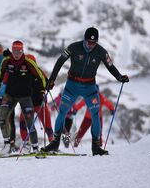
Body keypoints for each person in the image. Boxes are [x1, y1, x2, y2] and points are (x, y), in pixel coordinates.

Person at [42, 27, 129, 155]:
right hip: (72, 86)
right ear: (84, 39)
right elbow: (60, 61)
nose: (91, 45)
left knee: (95, 115)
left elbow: (110, 66)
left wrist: (119, 77)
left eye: (94, 43)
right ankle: (55, 143)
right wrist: (52, 79)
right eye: (88, 42)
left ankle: (96, 147)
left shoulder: (101, 52)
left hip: (90, 88)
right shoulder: (73, 47)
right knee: (62, 112)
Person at [0, 40, 46, 154]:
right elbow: (0, 73)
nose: (16, 54)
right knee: (3, 119)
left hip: (25, 96)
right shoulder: (6, 60)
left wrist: (42, 89)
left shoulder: (28, 62)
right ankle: (7, 145)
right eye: (14, 51)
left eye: (19, 51)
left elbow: (40, 75)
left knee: (30, 123)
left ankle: (35, 148)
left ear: (22, 51)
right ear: (12, 51)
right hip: (9, 95)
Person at [18, 54, 54, 144]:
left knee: (47, 125)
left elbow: (48, 83)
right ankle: (25, 144)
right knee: (23, 123)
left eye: (32, 63)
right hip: (27, 103)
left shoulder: (39, 72)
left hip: (39, 102)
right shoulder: (22, 73)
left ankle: (52, 143)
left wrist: (49, 85)